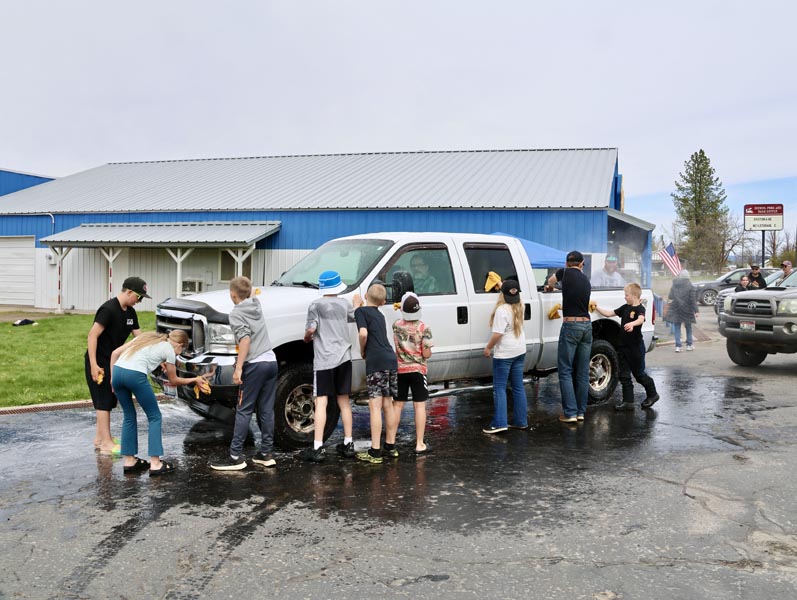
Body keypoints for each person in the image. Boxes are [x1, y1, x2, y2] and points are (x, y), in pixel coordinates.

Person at [111, 329, 208, 476]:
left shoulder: (146, 337)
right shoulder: (169, 349)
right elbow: (174, 380)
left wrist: (112, 380)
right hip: (135, 375)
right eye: (179, 352)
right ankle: (156, 464)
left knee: (129, 416)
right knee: (154, 416)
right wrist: (195, 379)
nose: (177, 355)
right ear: (179, 345)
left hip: (117, 372)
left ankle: (129, 461)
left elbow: (115, 353)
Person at [210, 276, 279, 471]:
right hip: (270, 361)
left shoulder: (236, 314)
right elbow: (251, 292)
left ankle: (235, 456)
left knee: (244, 409)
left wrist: (238, 367)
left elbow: (245, 340)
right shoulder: (256, 304)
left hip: (255, 364)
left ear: (232, 295)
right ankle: (266, 453)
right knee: (266, 409)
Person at [85, 276, 148, 455]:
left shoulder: (130, 313)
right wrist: (93, 365)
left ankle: (99, 439)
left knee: (110, 400)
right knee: (103, 400)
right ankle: (106, 443)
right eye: (139, 297)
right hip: (99, 361)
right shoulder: (108, 309)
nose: (139, 301)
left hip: (114, 361)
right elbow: (92, 336)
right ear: (129, 292)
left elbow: (139, 337)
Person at [299, 270, 357, 463]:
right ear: (338, 286)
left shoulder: (315, 305)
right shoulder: (344, 304)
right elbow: (354, 317)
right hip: (344, 357)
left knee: (321, 402)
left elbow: (310, 330)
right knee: (344, 401)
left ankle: (317, 447)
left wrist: (307, 338)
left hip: (324, 359)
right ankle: (349, 443)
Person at [594, 283, 659, 410]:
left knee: (639, 375)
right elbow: (608, 314)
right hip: (623, 348)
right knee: (624, 375)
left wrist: (632, 324)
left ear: (634, 295)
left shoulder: (640, 308)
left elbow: (641, 319)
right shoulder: (625, 308)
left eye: (626, 295)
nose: (625, 297)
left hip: (635, 349)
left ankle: (653, 394)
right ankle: (628, 402)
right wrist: (596, 307)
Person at [354, 283, 399, 464]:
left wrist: (362, 350)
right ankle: (390, 446)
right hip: (390, 359)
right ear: (383, 301)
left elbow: (363, 333)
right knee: (388, 404)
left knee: (374, 406)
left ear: (366, 295)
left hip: (376, 361)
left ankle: (375, 451)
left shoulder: (361, 312)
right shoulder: (380, 314)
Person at [548, 251, 592, 423]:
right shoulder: (586, 279)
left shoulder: (563, 273)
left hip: (571, 326)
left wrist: (550, 286)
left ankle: (570, 413)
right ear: (581, 264)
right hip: (587, 326)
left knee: (565, 371)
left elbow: (551, 281)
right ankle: (580, 412)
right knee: (582, 372)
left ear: (567, 263)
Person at [389, 292, 434, 454]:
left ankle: (391, 442)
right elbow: (427, 354)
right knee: (419, 405)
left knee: (397, 405)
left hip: (400, 370)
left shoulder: (396, 325)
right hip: (418, 370)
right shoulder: (424, 328)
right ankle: (419, 443)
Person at [482, 280, 529, 434]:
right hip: (519, 350)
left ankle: (500, 423)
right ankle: (521, 421)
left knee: (500, 388)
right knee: (518, 387)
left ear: (502, 294)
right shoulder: (520, 305)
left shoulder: (502, 310)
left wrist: (488, 347)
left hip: (505, 353)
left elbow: (498, 334)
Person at [667, 269, 698, 352]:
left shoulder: (675, 285)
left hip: (676, 308)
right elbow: (693, 300)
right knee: (688, 327)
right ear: (688, 277)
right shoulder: (690, 286)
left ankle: (678, 346)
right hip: (687, 309)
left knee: (677, 327)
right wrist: (696, 311)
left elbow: (670, 296)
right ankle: (689, 345)